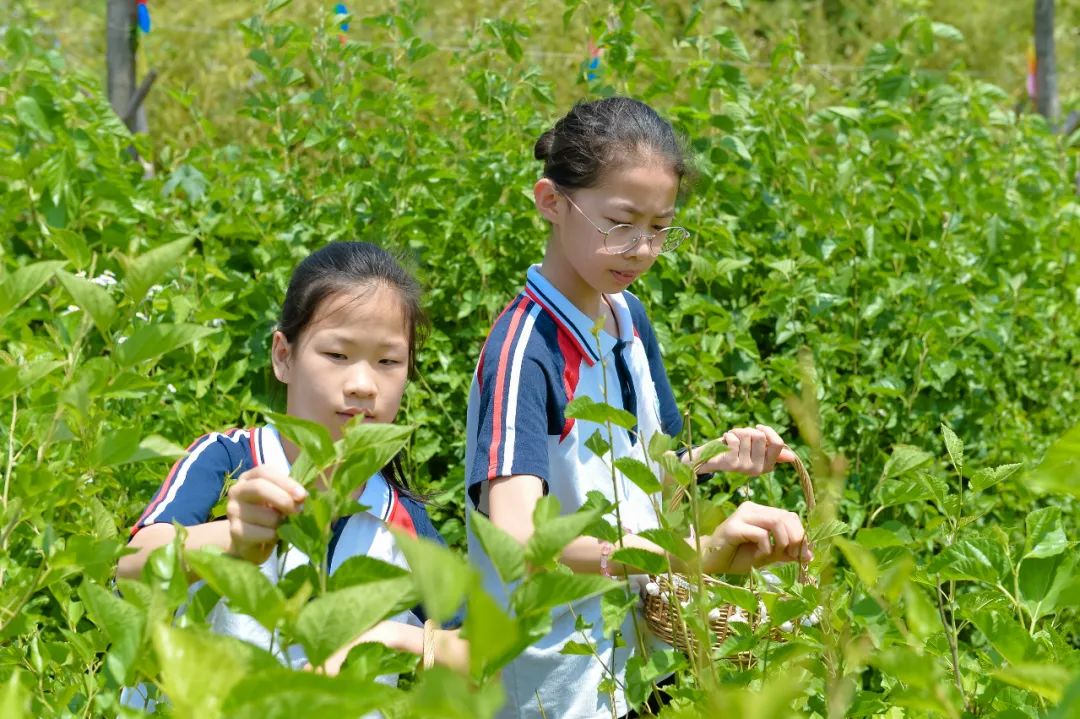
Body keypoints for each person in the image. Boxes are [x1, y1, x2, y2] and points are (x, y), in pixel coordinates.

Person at [464, 97, 811, 719]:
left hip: (633, 657)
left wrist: (713, 459)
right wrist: (666, 554)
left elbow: (651, 473)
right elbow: (514, 536)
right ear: (551, 201)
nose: (641, 249)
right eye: (620, 222)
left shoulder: (627, 318)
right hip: (548, 677)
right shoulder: (525, 350)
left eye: (660, 227)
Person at [118, 241, 466, 708]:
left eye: (388, 361)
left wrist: (390, 639)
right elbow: (132, 565)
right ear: (284, 356)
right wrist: (232, 541)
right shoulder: (229, 460)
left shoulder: (400, 522)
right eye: (337, 355)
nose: (363, 384)